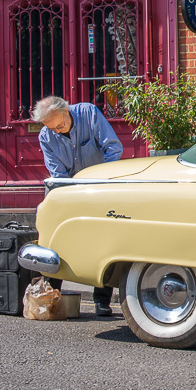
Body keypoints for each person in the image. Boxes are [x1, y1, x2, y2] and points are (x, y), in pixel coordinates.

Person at [32, 96, 123, 316]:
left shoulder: (89, 114)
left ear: (66, 111)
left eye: (60, 125)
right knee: (56, 240)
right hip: (68, 191)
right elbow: (58, 174)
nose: (58, 131)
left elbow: (113, 149)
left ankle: (102, 301)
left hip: (100, 188)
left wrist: (101, 181)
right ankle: (52, 297)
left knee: (104, 242)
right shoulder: (46, 136)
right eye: (52, 128)